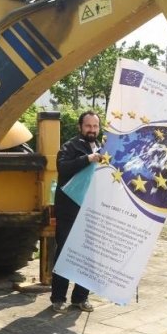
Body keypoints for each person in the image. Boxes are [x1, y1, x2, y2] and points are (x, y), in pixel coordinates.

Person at [50, 110, 103, 314]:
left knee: (88, 253)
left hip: (91, 209)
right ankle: (58, 298)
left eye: (95, 126)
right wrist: (87, 159)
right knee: (65, 251)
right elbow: (63, 168)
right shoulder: (70, 146)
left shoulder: (102, 147)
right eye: (88, 126)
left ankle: (81, 297)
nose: (92, 130)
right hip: (69, 209)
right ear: (80, 127)